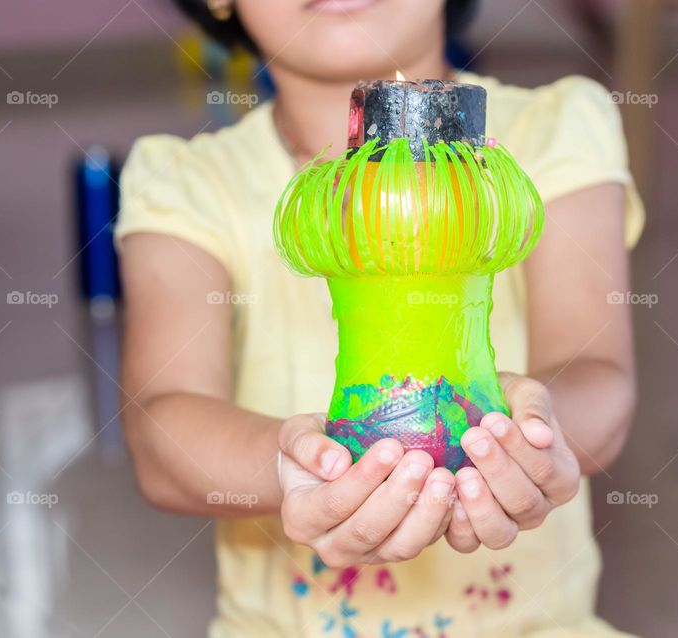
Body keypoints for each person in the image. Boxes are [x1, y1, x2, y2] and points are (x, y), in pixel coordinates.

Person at [115, 0, 644, 635]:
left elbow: (598, 371)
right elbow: (161, 428)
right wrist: (296, 468)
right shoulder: (185, 181)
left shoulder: (555, 129)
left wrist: (537, 436)